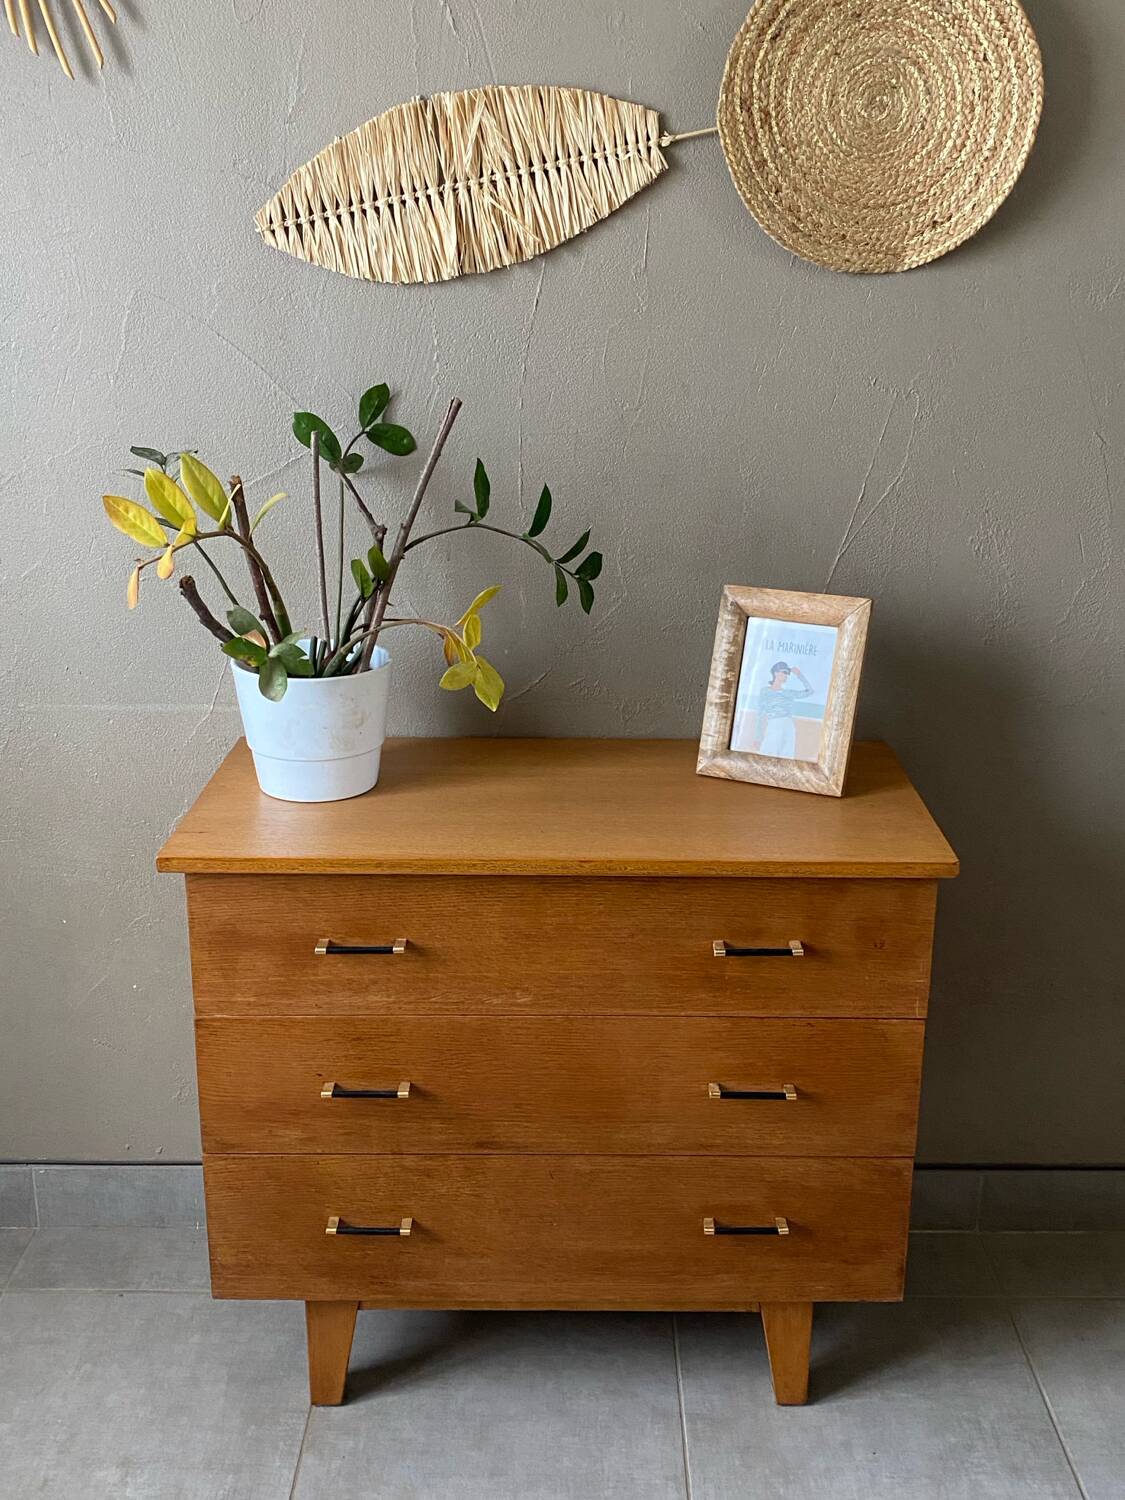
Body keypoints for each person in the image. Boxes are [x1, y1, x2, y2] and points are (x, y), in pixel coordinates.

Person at [752, 661, 812, 758]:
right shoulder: (765, 691)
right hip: (774, 725)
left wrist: (799, 675)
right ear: (775, 673)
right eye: (784, 672)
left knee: (786, 757)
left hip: (789, 726)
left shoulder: (788, 693)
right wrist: (757, 738)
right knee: (767, 755)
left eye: (787, 673)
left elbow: (810, 691)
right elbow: (760, 715)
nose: (786, 675)